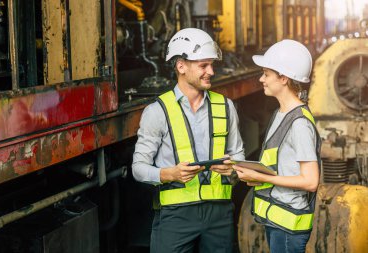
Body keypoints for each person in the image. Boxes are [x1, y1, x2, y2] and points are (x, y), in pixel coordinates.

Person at [132, 28, 245, 253]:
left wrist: (233, 170)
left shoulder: (225, 106)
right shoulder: (157, 112)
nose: (211, 71)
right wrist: (168, 174)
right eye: (203, 65)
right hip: (175, 216)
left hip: (219, 215)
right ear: (181, 66)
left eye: (212, 64)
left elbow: (239, 155)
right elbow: (138, 168)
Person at [233, 39, 321, 253]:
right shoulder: (280, 114)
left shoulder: (299, 124)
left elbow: (310, 181)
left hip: (290, 226)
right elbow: (280, 164)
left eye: (266, 73)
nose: (261, 79)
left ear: (283, 78)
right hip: (278, 219)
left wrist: (262, 178)